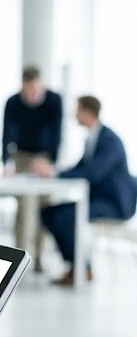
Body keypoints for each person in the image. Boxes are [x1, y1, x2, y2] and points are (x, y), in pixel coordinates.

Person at [34, 95, 136, 286]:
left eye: (77, 110)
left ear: (87, 112)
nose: (74, 114)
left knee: (67, 215)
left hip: (114, 204)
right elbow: (79, 168)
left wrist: (54, 172)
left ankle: (82, 268)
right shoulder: (92, 138)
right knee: (49, 212)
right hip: (99, 199)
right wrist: (52, 171)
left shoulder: (109, 139)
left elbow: (93, 173)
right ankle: (76, 266)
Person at [2, 65, 63, 272]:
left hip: (44, 157)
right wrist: (6, 163)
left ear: (41, 84)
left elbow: (57, 133)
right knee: (24, 208)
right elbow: (6, 133)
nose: (31, 95)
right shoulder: (13, 102)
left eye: (35, 91)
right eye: (27, 91)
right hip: (21, 156)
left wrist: (51, 162)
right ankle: (19, 257)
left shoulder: (54, 101)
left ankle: (38, 256)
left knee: (44, 208)